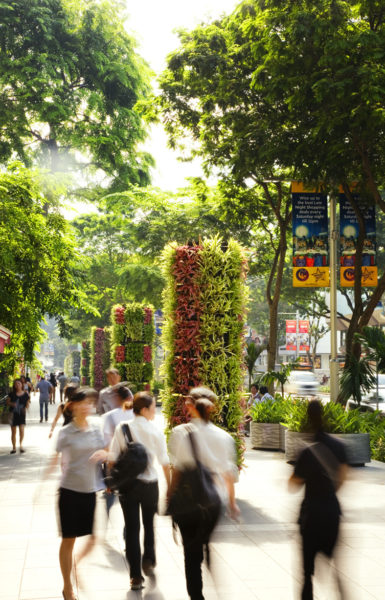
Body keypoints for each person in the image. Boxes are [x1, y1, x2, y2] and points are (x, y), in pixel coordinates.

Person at [168, 387, 240, 600]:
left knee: (190, 555)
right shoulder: (224, 437)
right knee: (201, 542)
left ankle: (196, 595)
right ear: (213, 408)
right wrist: (232, 503)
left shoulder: (180, 433)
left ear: (192, 407)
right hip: (212, 503)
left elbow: (177, 470)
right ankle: (204, 550)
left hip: (187, 503)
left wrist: (169, 496)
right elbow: (229, 475)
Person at [109, 392, 170, 591]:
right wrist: (169, 487)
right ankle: (149, 559)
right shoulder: (155, 431)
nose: (155, 410)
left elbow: (112, 457)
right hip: (150, 484)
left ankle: (135, 577)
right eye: (153, 407)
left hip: (129, 486)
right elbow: (165, 463)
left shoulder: (123, 428)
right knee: (149, 524)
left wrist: (111, 480)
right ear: (144, 409)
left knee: (132, 529)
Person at [289, 400, 348, 600]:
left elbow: (293, 484)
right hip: (332, 513)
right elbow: (342, 478)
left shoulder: (306, 451)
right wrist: (329, 490)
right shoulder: (339, 446)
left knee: (307, 574)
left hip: (311, 517)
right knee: (336, 567)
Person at [54, 387, 106, 600]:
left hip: (90, 491)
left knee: (93, 538)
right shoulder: (65, 433)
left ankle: (77, 565)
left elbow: (107, 452)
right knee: (69, 540)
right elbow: (56, 461)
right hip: (69, 492)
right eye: (83, 402)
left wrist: (106, 454)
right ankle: (67, 587)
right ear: (72, 406)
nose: (87, 407)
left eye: (90, 403)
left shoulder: (96, 429)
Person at [102, 384, 134, 515]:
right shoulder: (139, 413)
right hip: (135, 462)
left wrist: (108, 474)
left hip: (117, 463)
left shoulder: (110, 416)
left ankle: (107, 519)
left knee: (114, 498)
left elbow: (107, 445)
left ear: (117, 399)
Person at [6, 378, 30, 453]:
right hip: (13, 414)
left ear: (22, 384)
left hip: (21, 414)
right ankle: (14, 448)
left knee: (22, 430)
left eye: (19, 383)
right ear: (14, 386)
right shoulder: (11, 394)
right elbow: (7, 402)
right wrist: (12, 404)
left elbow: (27, 404)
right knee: (13, 432)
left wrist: (26, 407)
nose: (17, 385)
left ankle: (21, 446)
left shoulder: (26, 394)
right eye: (16, 384)